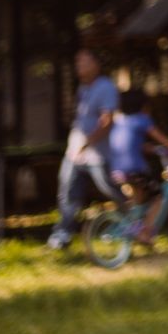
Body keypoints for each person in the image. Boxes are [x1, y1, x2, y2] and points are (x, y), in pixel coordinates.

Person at [48, 47, 119, 251]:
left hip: (97, 155)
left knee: (112, 190)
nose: (79, 66)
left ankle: (135, 224)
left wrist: (88, 142)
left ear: (96, 65)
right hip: (76, 153)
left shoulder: (105, 87)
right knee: (67, 193)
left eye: (84, 62)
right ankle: (62, 236)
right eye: (78, 62)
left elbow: (107, 121)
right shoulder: (83, 88)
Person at [106, 89, 168, 244]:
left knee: (138, 200)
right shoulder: (142, 120)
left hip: (117, 170)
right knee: (159, 196)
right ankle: (145, 233)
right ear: (144, 107)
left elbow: (133, 144)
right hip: (135, 170)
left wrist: (150, 148)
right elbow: (164, 140)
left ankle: (132, 228)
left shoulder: (120, 121)